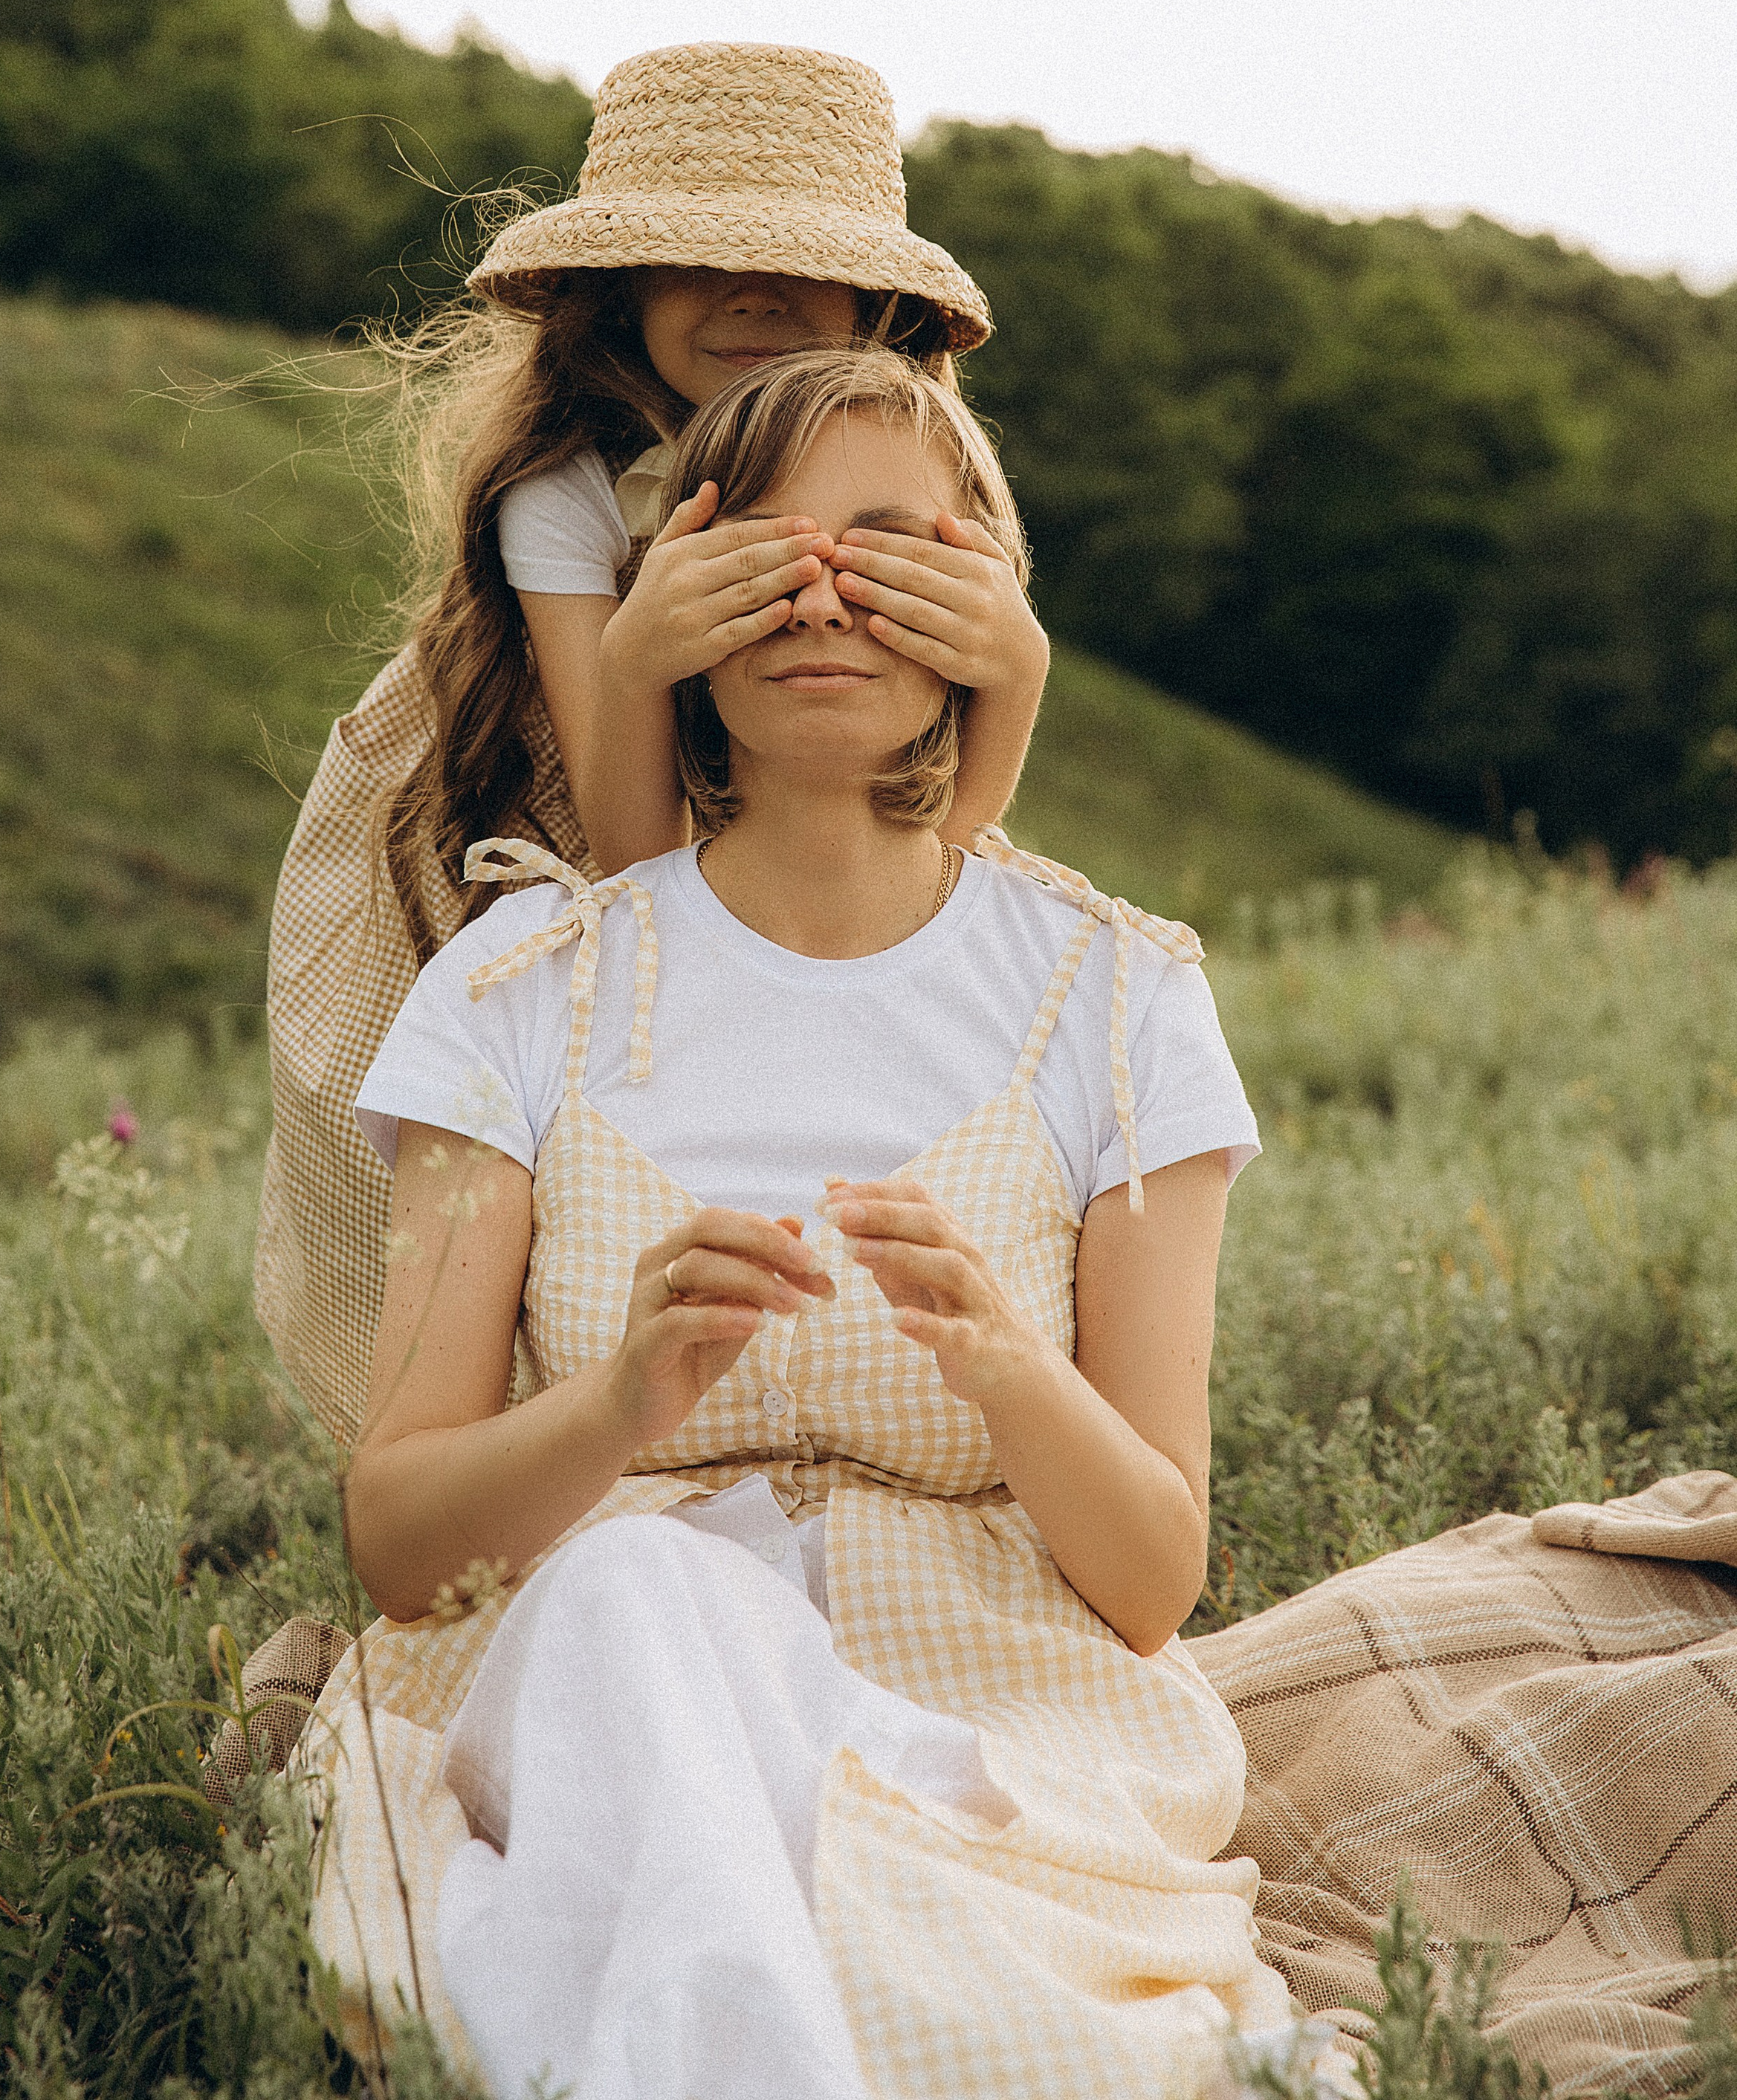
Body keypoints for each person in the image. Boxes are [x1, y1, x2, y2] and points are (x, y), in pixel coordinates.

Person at [305, 345, 1307, 2100]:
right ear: (679, 607)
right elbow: (398, 1543)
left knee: (949, 1993)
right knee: (640, 1591)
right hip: (594, 1678)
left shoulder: (1119, 1001)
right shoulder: (517, 991)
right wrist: (622, 1400)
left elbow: (1152, 1578)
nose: (823, 594)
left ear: (981, 611)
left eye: (889, 546)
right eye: (761, 544)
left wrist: (1004, 1364)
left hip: (987, 1700)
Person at [256, 42, 1049, 1447]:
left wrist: (1015, 672)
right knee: (533, 1190)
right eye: (697, 262)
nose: (754, 299)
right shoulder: (569, 488)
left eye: (800, 270)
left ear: (873, 304)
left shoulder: (904, 468)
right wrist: (647, 650)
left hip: (809, 824)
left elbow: (946, 836)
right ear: (616, 291)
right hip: (549, 822)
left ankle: (816, 1417)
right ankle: (514, 1467)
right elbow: (633, 859)